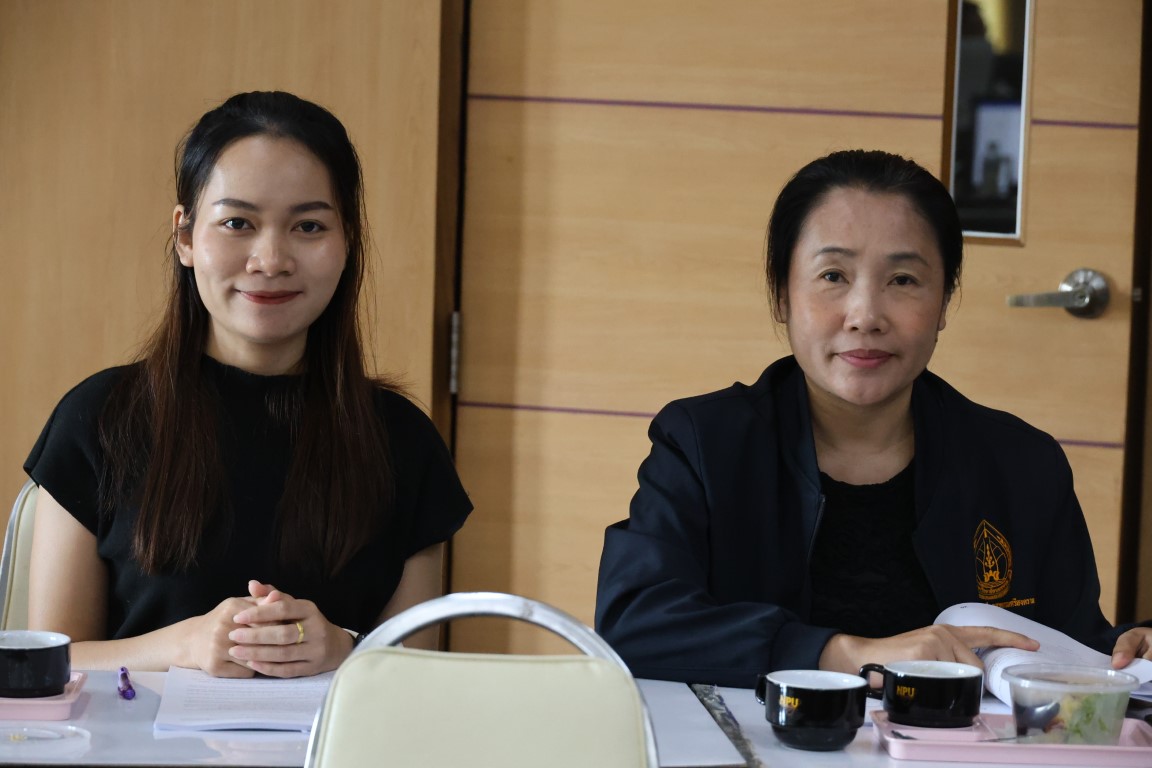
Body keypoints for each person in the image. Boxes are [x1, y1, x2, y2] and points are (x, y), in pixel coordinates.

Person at [594, 149, 1152, 688]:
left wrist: (1131, 649)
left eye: (903, 280)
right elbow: (636, 625)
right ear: (782, 295)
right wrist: (842, 654)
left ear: (944, 301)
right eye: (833, 276)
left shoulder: (1022, 463)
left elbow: (1069, 647)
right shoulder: (703, 444)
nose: (865, 316)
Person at [24, 91, 472, 678]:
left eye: (308, 226)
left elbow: (417, 678)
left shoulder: (403, 440)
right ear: (185, 237)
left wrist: (346, 650)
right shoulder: (99, 418)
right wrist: (181, 647)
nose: (271, 259)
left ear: (348, 241)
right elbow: (50, 665)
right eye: (238, 223)